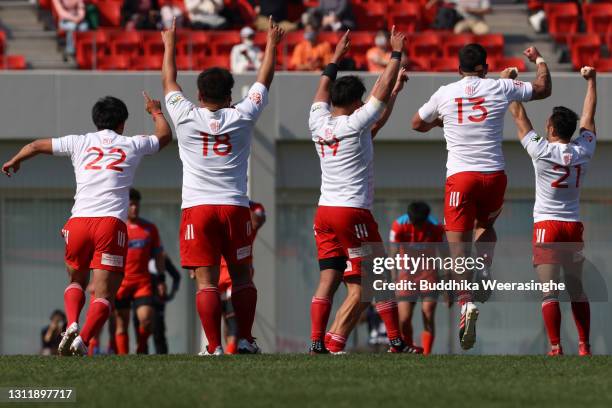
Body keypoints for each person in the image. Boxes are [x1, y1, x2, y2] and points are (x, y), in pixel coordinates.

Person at [2, 94, 171, 356]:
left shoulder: (78, 142)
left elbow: (35, 145)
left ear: (96, 121)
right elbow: (164, 137)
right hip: (109, 224)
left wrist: (16, 160)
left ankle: (71, 323)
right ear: (122, 123)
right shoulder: (132, 144)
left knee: (76, 279)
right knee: (104, 294)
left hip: (78, 222)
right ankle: (83, 340)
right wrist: (155, 111)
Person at [411, 44, 551, 351]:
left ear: (458, 69)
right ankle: (485, 268)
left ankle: (465, 305)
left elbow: (416, 123)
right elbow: (543, 89)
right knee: (485, 225)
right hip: (494, 176)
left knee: (458, 249)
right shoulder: (500, 86)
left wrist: (441, 122)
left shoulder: (446, 91)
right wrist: (539, 60)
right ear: (485, 68)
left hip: (461, 176)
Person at [161, 16, 284, 355]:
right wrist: (272, 43)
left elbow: (169, 80)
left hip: (198, 209)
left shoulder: (185, 114)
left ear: (199, 94)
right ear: (230, 95)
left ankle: (213, 346)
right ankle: (244, 339)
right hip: (234, 206)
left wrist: (170, 43)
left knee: (206, 282)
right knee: (243, 276)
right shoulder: (242, 115)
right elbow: (264, 80)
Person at [308, 28, 410, 355]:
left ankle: (320, 343)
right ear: (355, 103)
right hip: (352, 213)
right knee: (378, 278)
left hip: (324, 213)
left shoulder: (317, 119)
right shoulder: (354, 123)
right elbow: (377, 96)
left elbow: (329, 88)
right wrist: (395, 55)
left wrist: (335, 57)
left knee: (339, 282)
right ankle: (396, 341)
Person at [507, 66, 597, 357]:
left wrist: (509, 86)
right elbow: (589, 118)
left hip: (547, 224)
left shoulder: (541, 150)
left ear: (550, 128)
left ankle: (555, 347)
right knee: (577, 290)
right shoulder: (584, 150)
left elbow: (520, 117)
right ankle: (584, 346)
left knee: (549, 291)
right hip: (572, 225)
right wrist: (592, 82)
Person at [388, 202, 446, 355]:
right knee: (404, 318)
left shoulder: (436, 228)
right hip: (407, 274)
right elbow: (393, 255)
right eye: (416, 224)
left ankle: (426, 353)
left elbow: (445, 256)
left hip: (429, 273)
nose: (418, 228)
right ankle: (409, 348)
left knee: (428, 313)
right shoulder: (398, 226)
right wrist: (394, 281)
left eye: (421, 224)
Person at [113, 188, 166, 354]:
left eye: (136, 204)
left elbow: (158, 256)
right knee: (122, 324)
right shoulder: (117, 227)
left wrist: (161, 279)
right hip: (121, 282)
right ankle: (123, 359)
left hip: (142, 282)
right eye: (130, 205)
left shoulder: (149, 229)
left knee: (146, 320)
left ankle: (141, 348)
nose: (134, 208)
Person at [214, 201, 266, 354]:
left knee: (233, 318)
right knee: (225, 317)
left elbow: (259, 218)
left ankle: (232, 350)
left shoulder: (247, 212)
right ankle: (225, 350)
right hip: (216, 275)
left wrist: (240, 202)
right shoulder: (214, 207)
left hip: (232, 275)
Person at [149, 255, 181, 354]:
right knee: (142, 327)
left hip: (158, 299)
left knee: (158, 330)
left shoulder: (162, 258)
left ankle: (161, 356)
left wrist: (172, 294)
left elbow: (176, 276)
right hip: (142, 296)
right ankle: (141, 353)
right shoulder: (139, 255)